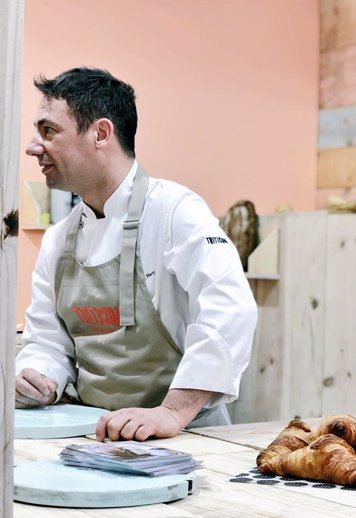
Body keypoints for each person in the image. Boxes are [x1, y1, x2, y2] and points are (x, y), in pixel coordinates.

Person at [15, 68, 258, 441]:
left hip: (186, 437)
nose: (33, 146)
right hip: (95, 436)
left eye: (48, 131)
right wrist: (39, 376)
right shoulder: (58, 239)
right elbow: (48, 341)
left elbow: (231, 310)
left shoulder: (175, 211)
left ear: (101, 133)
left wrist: (172, 411)